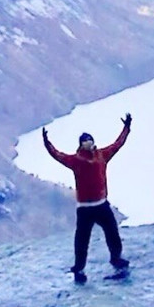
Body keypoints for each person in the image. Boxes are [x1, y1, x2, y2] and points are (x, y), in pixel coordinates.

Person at [42, 113, 132, 283]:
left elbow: (117, 144)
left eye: (90, 140)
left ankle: (116, 258)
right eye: (85, 141)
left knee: (112, 233)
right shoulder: (75, 160)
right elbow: (57, 155)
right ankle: (79, 266)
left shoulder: (102, 155)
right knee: (82, 240)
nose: (88, 143)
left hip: (102, 205)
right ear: (81, 144)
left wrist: (126, 128)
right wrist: (47, 143)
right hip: (85, 208)